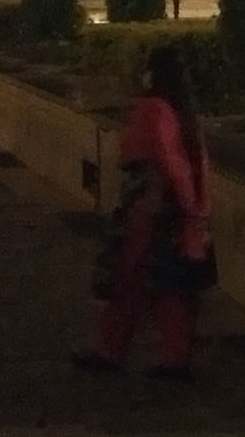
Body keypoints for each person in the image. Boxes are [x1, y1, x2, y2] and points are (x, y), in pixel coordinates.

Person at [73, 45, 213, 379]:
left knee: (128, 277)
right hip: (175, 210)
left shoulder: (153, 109)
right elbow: (189, 164)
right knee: (170, 287)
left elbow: (163, 159)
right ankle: (174, 359)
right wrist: (195, 210)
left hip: (150, 207)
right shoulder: (184, 112)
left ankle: (111, 352)